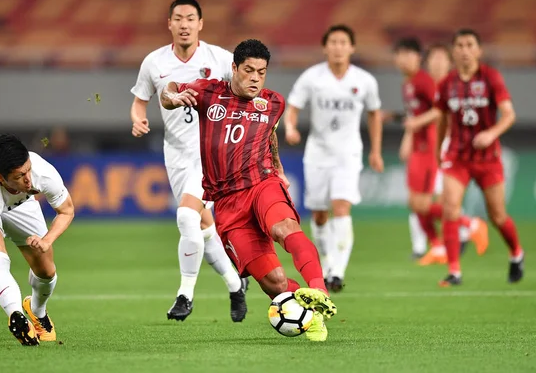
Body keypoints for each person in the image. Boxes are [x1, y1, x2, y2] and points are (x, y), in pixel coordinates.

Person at [160, 39, 337, 342]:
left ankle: (319, 291)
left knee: (285, 228)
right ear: (234, 68)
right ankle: (311, 317)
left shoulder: (273, 103)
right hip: (228, 204)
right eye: (249, 70)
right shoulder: (208, 92)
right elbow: (169, 89)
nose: (255, 78)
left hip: (261, 185)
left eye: (261, 72)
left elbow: (270, 135)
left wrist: (278, 168)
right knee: (274, 282)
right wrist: (172, 98)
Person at [130, 0, 246, 322]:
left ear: (200, 24)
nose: (184, 24)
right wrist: (138, 118)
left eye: (190, 18)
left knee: (185, 215)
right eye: (178, 18)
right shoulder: (154, 62)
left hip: (213, 154)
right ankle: (236, 284)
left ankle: (185, 295)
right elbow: (141, 101)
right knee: (204, 226)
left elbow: (245, 89)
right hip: (177, 155)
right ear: (169, 23)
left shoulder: (221, 59)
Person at [405, 29, 524, 286]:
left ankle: (516, 253)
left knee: (498, 216)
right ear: (454, 52)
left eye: (470, 44)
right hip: (457, 157)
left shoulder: (491, 78)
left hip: (488, 158)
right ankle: (454, 270)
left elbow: (509, 115)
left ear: (478, 50)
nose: (464, 50)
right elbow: (443, 120)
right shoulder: (448, 83)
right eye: (459, 45)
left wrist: (491, 134)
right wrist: (439, 154)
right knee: (449, 210)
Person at [283, 25, 384, 292]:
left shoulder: (364, 81)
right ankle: (327, 264)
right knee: (318, 214)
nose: (338, 47)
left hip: (348, 155)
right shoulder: (312, 77)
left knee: (341, 208)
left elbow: (374, 114)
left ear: (352, 47)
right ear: (325, 47)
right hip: (317, 154)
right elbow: (292, 108)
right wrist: (290, 127)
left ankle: (337, 271)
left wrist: (375, 150)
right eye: (333, 42)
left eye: (343, 42)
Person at [0, 134, 74, 347]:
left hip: (21, 202)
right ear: (1, 178)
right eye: (20, 175)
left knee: (46, 271)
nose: (28, 179)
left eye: (28, 169)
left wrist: (47, 240)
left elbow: (67, 211)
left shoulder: (42, 173)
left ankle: (37, 310)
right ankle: (16, 315)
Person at [393, 38, 488, 266]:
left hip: (433, 148)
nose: (403, 59)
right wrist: (409, 137)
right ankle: (437, 245)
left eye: (409, 54)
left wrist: (417, 125)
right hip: (419, 147)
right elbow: (414, 116)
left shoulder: (427, 83)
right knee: (415, 203)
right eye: (400, 54)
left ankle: (469, 225)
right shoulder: (408, 83)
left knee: (429, 203)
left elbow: (438, 111)